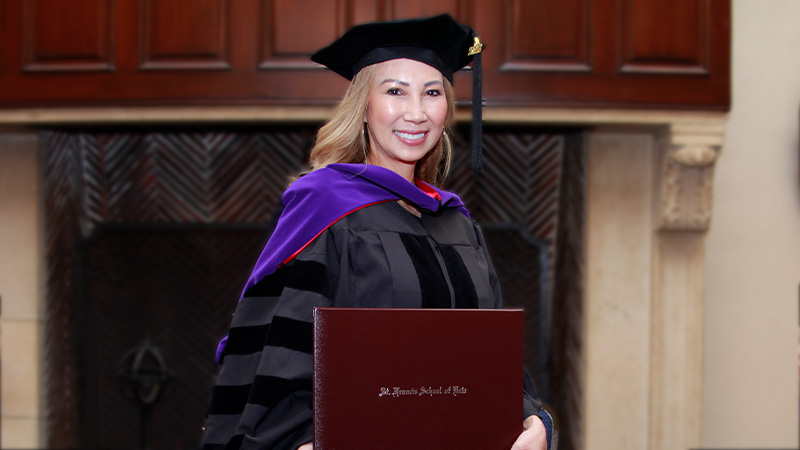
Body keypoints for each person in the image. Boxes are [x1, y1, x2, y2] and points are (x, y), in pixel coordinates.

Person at [201, 14, 554, 450]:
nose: (416, 112)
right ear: (363, 107)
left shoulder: (458, 224)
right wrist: (296, 442)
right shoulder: (325, 205)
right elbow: (275, 346)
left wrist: (534, 421)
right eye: (394, 91)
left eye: (432, 93)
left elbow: (491, 361)